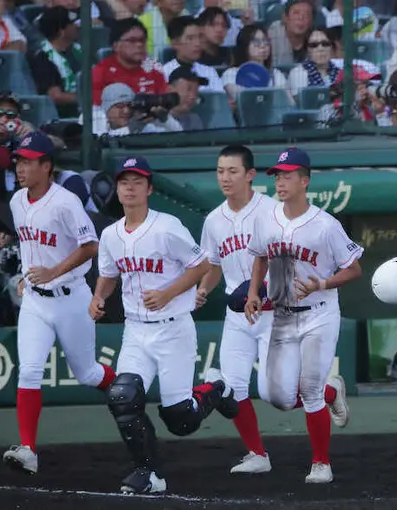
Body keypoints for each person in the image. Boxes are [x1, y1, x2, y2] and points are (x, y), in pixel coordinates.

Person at [90, 156, 237, 494]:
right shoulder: (111, 234)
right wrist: (97, 297)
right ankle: (149, 474)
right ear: (117, 188)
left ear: (149, 188)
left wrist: (169, 292)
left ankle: (217, 388)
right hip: (136, 331)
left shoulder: (167, 226)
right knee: (123, 397)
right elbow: (108, 276)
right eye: (124, 181)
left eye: (137, 181)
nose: (129, 187)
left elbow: (201, 265)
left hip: (172, 330)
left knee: (180, 420)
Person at [1, 132, 116, 475]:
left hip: (71, 298)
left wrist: (53, 270)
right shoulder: (17, 201)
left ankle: (127, 392)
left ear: (47, 166)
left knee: (88, 373)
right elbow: (30, 246)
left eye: (29, 161)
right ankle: (28, 449)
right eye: (19, 160)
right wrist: (26, 273)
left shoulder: (66, 201)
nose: (21, 167)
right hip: (36, 301)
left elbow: (90, 245)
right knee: (30, 370)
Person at [243, 147, 359, 484]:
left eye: (287, 175)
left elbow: (354, 269)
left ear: (304, 181)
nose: (280, 181)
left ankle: (321, 463)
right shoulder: (266, 218)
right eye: (277, 176)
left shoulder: (325, 224)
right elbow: (261, 257)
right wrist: (253, 292)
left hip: (320, 314)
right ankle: (332, 393)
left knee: (308, 391)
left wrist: (322, 282)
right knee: (279, 397)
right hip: (282, 314)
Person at [196, 145, 279, 474]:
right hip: (236, 314)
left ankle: (328, 391)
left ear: (250, 175)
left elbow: (287, 259)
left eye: (232, 171)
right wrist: (203, 288)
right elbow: (214, 264)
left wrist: (263, 290)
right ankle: (257, 454)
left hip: (274, 312)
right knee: (233, 387)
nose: (225, 178)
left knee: (277, 392)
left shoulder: (271, 211)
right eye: (220, 171)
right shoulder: (214, 220)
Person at [91, 18, 169, 106]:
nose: (139, 45)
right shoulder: (100, 72)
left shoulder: (154, 67)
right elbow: (97, 110)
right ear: (116, 46)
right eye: (132, 41)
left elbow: (164, 101)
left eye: (142, 40)